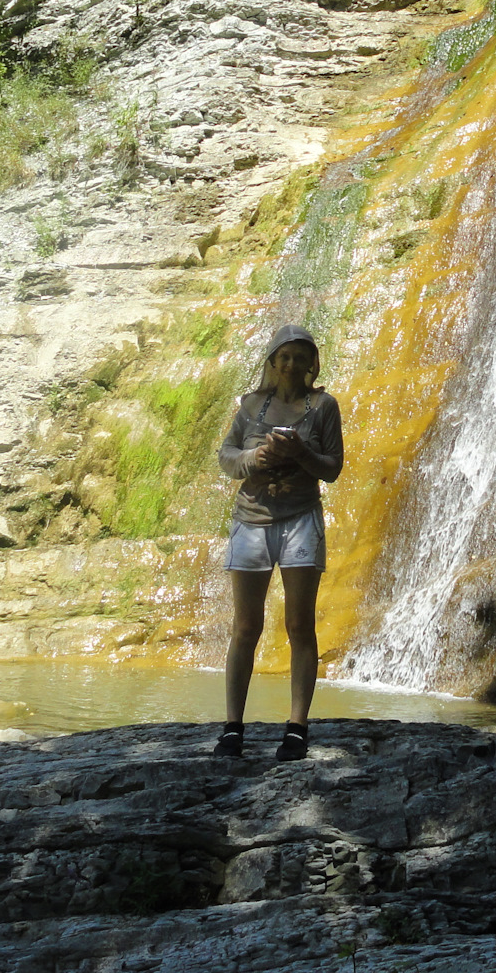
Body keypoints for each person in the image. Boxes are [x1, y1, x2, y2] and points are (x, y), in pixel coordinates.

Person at [211, 323, 344, 761]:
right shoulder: (250, 406)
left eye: (300, 357)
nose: (291, 364)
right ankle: (232, 727)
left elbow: (333, 467)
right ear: (272, 362)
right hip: (250, 522)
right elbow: (226, 457)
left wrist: (299, 455)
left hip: (301, 521)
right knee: (245, 626)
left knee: (299, 625)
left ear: (312, 363)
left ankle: (297, 727)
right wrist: (256, 458)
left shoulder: (324, 406)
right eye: (283, 356)